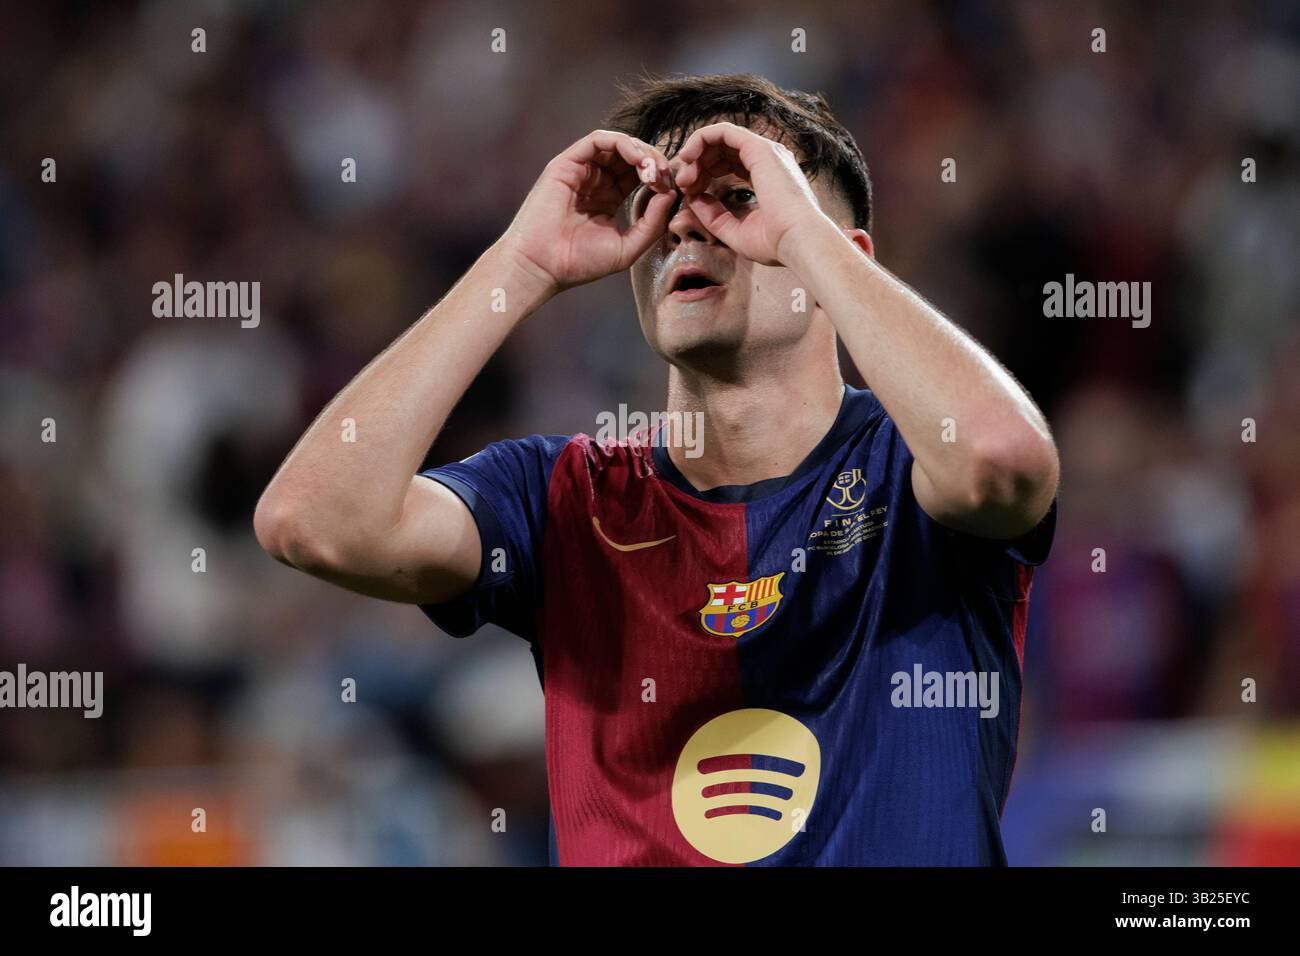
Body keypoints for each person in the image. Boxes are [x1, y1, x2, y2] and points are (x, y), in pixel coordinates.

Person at [255, 73, 1060, 865]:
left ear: (835, 259)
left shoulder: (915, 461)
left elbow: (1002, 460)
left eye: (739, 198)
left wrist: (802, 238)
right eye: (664, 210)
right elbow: (314, 521)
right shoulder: (565, 499)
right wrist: (520, 264)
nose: (687, 230)